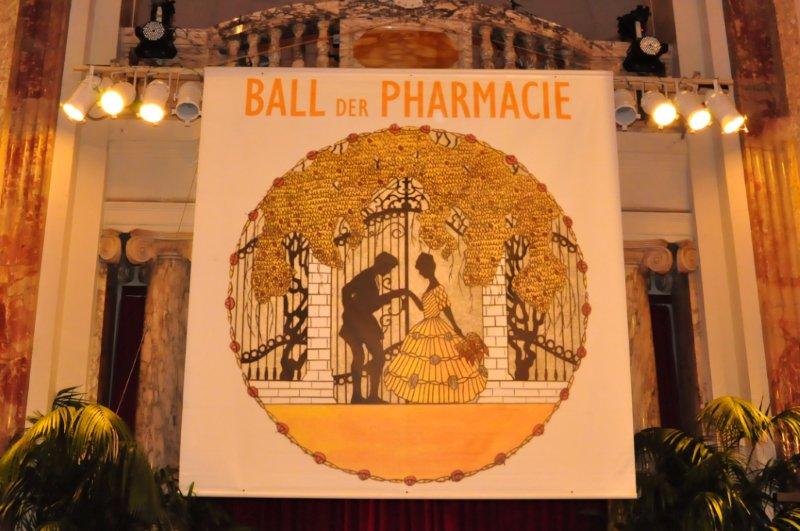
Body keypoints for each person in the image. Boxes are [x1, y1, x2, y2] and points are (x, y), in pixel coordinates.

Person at [383, 253, 487, 403]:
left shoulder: (438, 288)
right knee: (424, 365)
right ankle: (427, 398)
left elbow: (446, 309)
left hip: (436, 326)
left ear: (428, 268)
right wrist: (409, 294)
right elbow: (422, 307)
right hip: (425, 326)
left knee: (441, 364)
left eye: (421, 269)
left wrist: (456, 327)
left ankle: (439, 399)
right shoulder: (430, 287)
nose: (420, 273)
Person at [339, 252, 420, 404]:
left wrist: (399, 293)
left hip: (362, 321)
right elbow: (345, 290)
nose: (389, 272)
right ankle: (361, 396)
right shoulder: (366, 276)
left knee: (370, 357)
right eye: (389, 268)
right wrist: (351, 311)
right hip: (357, 322)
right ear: (381, 264)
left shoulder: (373, 276)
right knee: (367, 356)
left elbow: (372, 301)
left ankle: (368, 395)